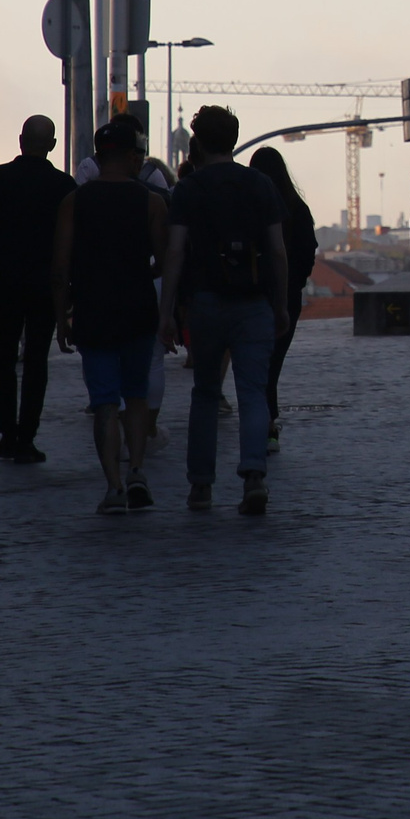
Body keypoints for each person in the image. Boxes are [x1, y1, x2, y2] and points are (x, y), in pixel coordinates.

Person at [159, 106, 287, 516]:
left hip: (206, 302)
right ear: (233, 139)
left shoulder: (190, 189)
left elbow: (175, 252)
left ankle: (201, 485)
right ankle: (254, 477)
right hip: (253, 303)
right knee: (252, 393)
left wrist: (167, 312)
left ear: (197, 141)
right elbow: (278, 250)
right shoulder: (260, 184)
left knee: (206, 394)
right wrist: (280, 303)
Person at [54, 119, 167, 515]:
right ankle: (137, 469)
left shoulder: (75, 202)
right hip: (137, 308)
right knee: (136, 397)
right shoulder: (151, 202)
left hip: (93, 311)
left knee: (104, 403)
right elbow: (164, 261)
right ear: (131, 156)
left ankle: (114, 487)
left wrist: (60, 318)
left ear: (100, 157)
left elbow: (61, 265)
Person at [0, 116, 76, 463]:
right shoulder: (64, 186)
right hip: (43, 287)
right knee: (37, 361)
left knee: (3, 358)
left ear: (21, 140)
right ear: (51, 145)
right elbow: (71, 245)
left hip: (5, 283)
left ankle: (6, 432)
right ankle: (27, 436)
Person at [248, 146, 319, 458]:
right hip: (288, 297)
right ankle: (268, 425)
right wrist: (295, 284)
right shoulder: (296, 207)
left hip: (250, 294)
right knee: (272, 365)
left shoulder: (247, 205)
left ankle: (260, 425)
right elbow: (307, 253)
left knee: (254, 366)